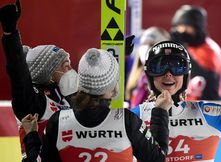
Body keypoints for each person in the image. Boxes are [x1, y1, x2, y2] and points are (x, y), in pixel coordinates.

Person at [131, 40, 221, 162]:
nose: (168, 74)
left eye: (177, 67)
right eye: (160, 67)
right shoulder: (135, 117)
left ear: (186, 75)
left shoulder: (206, 114)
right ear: (149, 76)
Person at [23, 48, 170, 162]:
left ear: (80, 83)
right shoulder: (127, 121)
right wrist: (160, 112)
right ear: (113, 87)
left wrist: (31, 135)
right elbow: (158, 159)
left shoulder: (57, 121)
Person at [0, 0, 79, 159]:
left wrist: (114, 58)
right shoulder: (33, 102)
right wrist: (11, 34)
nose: (72, 71)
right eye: (66, 66)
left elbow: (99, 88)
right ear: (48, 73)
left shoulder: (64, 98)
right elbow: (19, 74)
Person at [170, 5, 221, 100]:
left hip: (205, 106)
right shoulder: (190, 46)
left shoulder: (209, 50)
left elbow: (203, 80)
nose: (182, 30)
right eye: (180, 26)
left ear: (197, 28)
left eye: (187, 26)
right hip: (187, 103)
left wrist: (181, 50)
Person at [125, 26, 170, 108]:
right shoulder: (137, 74)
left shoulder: (169, 78)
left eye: (152, 44)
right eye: (144, 44)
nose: (147, 48)